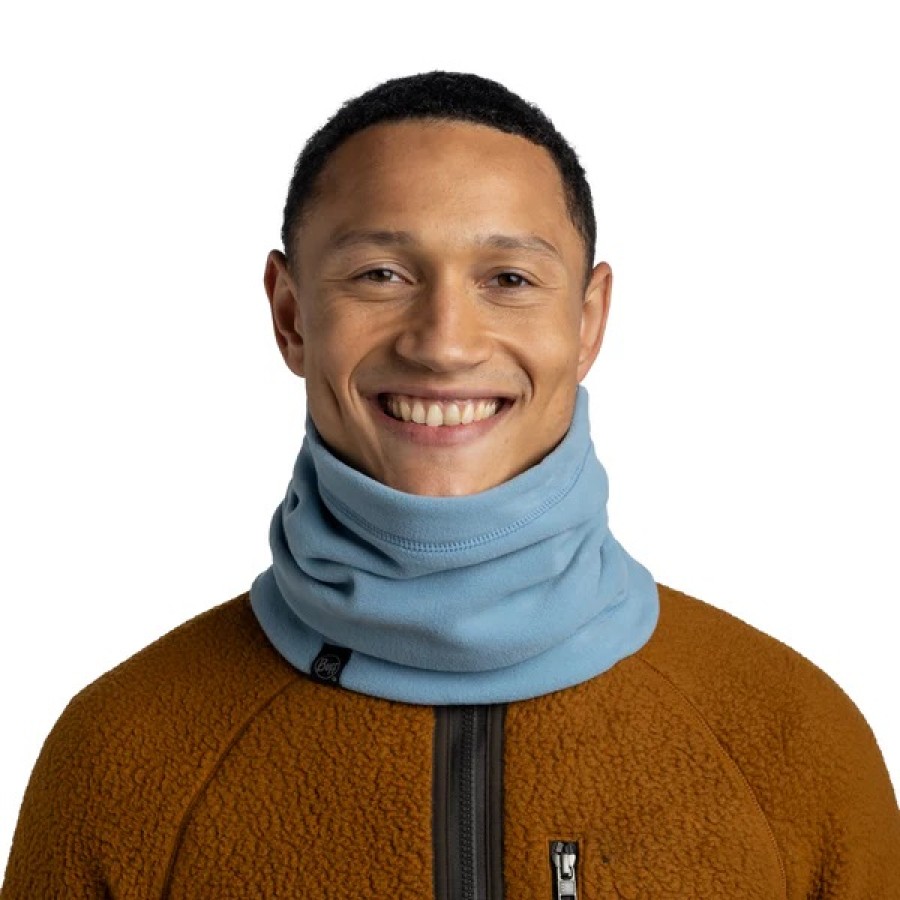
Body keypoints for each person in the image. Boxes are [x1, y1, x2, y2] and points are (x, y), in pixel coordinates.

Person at [2, 70, 898, 899]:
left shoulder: (791, 737)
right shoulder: (120, 753)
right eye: (381, 275)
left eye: (508, 278)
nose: (444, 343)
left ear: (588, 322)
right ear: (290, 315)